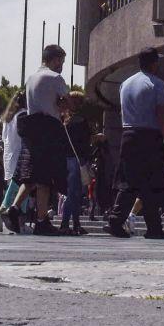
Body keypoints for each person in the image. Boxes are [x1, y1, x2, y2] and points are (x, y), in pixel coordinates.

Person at [105, 48, 164, 240]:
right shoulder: (157, 84)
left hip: (128, 134)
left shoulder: (125, 84)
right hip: (149, 136)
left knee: (129, 182)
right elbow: (163, 116)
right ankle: (152, 227)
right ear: (153, 63)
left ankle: (118, 220)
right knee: (152, 182)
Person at [8, 44, 72, 236]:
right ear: (55, 59)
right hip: (48, 129)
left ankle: (14, 207)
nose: (61, 65)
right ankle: (42, 220)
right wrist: (62, 105)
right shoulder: (55, 77)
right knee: (45, 177)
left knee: (32, 175)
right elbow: (68, 103)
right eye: (61, 61)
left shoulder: (31, 78)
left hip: (32, 128)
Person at [61, 91, 94, 234]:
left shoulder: (62, 120)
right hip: (77, 159)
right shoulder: (81, 120)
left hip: (66, 159)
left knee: (74, 193)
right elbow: (86, 141)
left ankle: (76, 224)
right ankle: (65, 224)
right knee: (74, 193)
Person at [0, 93, 26, 232]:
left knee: (14, 189)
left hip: (8, 156)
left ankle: (14, 222)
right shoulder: (24, 114)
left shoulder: (7, 118)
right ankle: (15, 220)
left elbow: (3, 138)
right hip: (20, 155)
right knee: (23, 189)